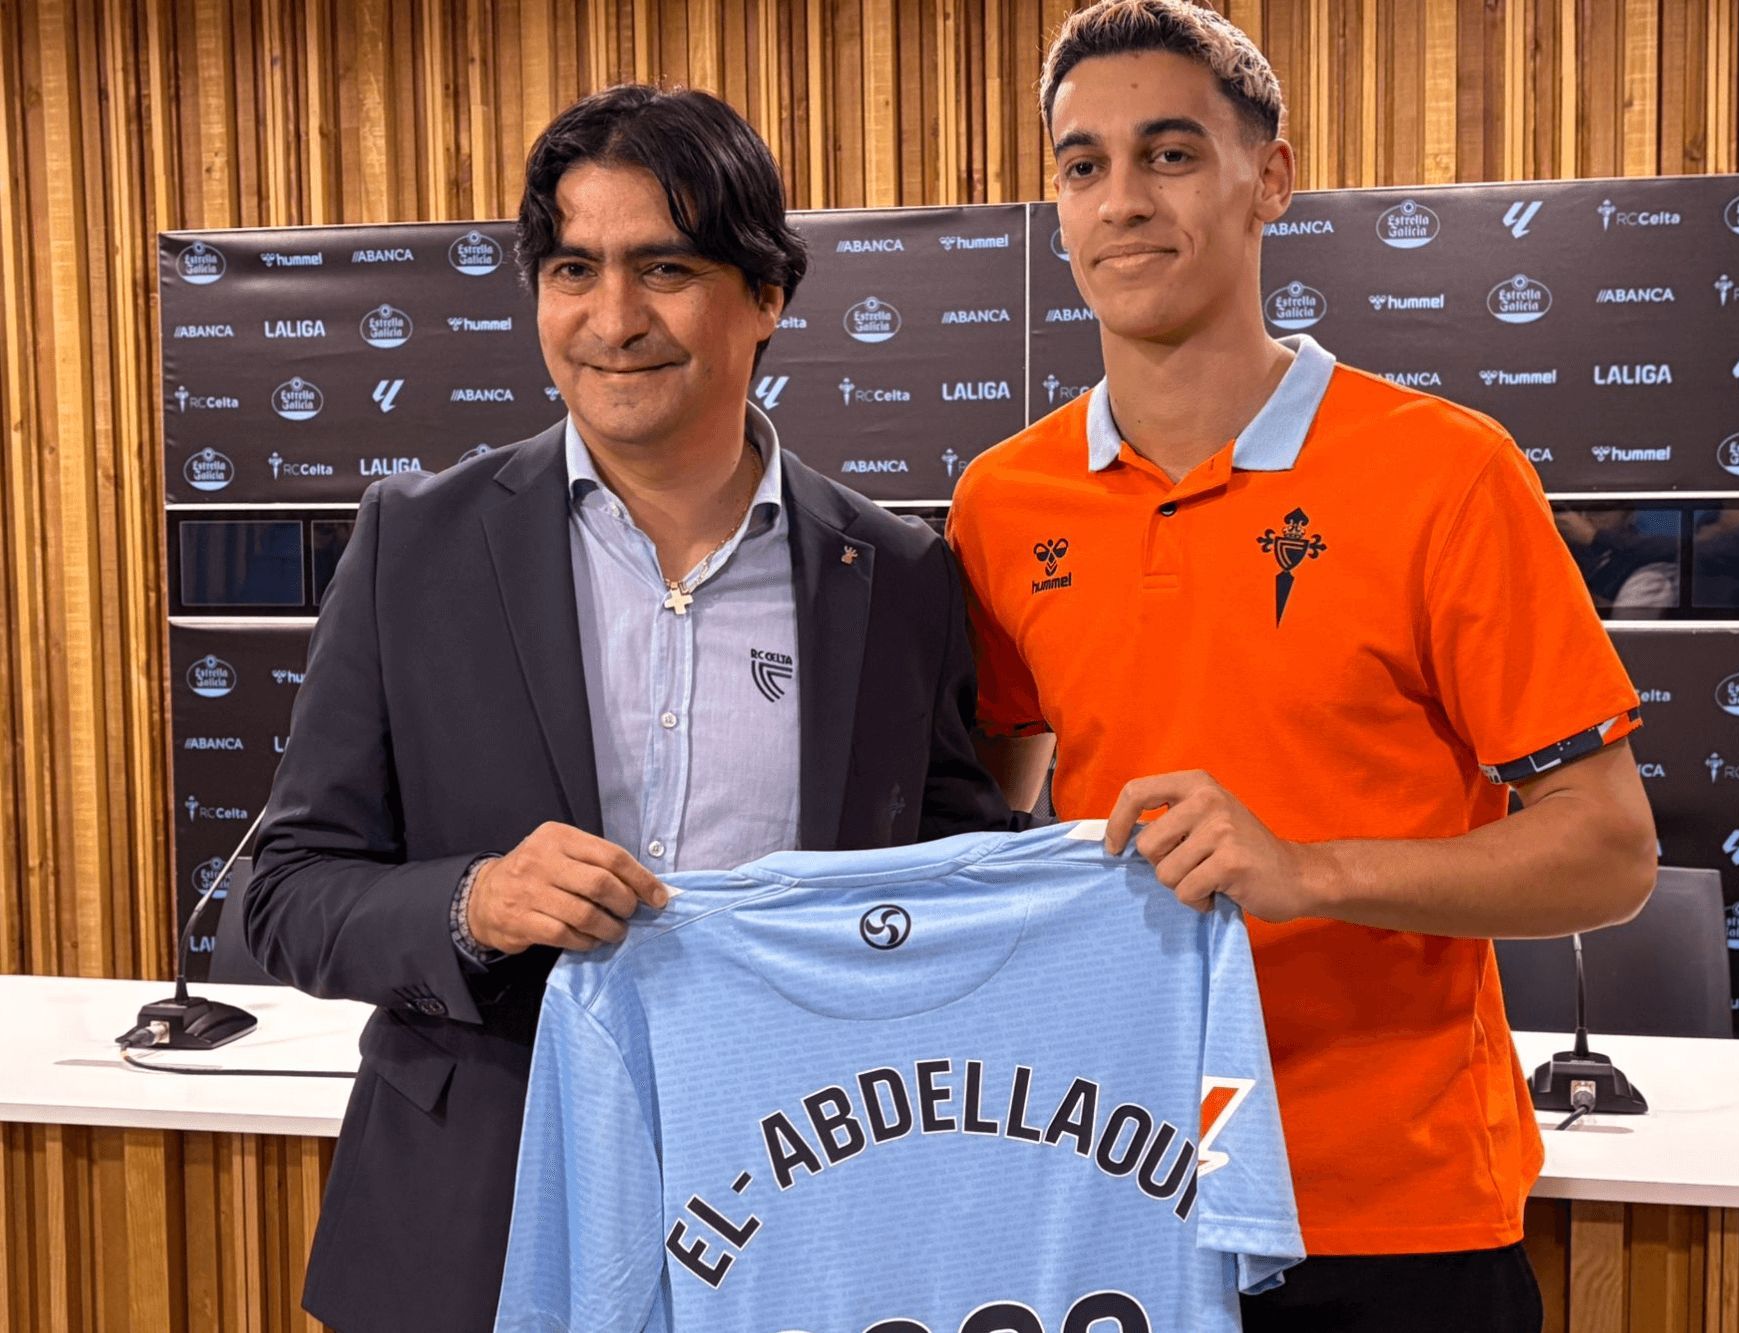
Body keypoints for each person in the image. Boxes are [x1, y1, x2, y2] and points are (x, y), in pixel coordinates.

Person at [244, 84, 1013, 1333]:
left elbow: (949, 892)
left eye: (665, 267)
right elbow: (287, 891)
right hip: (474, 1228)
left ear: (765, 295)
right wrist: (472, 902)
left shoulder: (899, 579)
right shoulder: (414, 548)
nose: (612, 319)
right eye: (572, 269)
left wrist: (1115, 881)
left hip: (803, 1215)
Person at [945, 4, 1659, 1328]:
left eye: (1169, 154)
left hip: (1393, 1214)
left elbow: (1609, 854)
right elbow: (988, 821)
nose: (1121, 202)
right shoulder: (1002, 500)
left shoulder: (1447, 473)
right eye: (1083, 164)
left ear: (1267, 179)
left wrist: (1305, 871)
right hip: (1113, 1191)